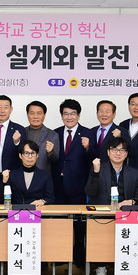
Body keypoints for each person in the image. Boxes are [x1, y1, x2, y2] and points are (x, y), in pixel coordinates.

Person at [85, 136, 138, 275]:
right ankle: (101, 268)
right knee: (100, 231)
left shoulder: (134, 173)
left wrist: (131, 202)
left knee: (135, 226)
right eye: (114, 150)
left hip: (125, 216)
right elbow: (90, 192)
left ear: (126, 154)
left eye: (122, 150)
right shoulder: (99, 169)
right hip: (103, 216)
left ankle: (130, 269)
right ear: (108, 152)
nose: (118, 153)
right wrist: (95, 173)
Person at [1, 140, 55, 275]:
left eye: (33, 153)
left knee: (37, 243)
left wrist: (43, 201)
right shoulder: (12, 175)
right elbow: (3, 199)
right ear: (20, 155)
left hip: (37, 219)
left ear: (37, 156)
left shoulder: (45, 175)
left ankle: (38, 273)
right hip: (16, 219)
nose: (30, 157)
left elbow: (51, 197)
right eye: (26, 153)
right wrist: (4, 182)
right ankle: (19, 273)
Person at [52, 99, 92, 265]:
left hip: (79, 186)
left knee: (79, 225)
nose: (69, 117)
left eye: (73, 114)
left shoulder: (88, 133)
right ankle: (61, 256)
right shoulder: (55, 133)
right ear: (62, 116)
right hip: (58, 185)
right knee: (60, 223)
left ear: (79, 115)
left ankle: (79, 258)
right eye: (66, 114)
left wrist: (88, 148)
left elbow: (95, 158)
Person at [0, 94, 26, 201]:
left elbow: (24, 155)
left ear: (11, 109)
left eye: (6, 107)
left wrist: (17, 142)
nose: (2, 111)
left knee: (10, 209)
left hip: (11, 180)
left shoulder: (19, 129)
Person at [24, 100, 59, 172]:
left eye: (39, 113)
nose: (35, 116)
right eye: (32, 113)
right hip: (22, 174)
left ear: (44, 115)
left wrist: (50, 152)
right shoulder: (21, 132)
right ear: (27, 115)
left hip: (42, 175)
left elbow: (55, 159)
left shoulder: (53, 135)